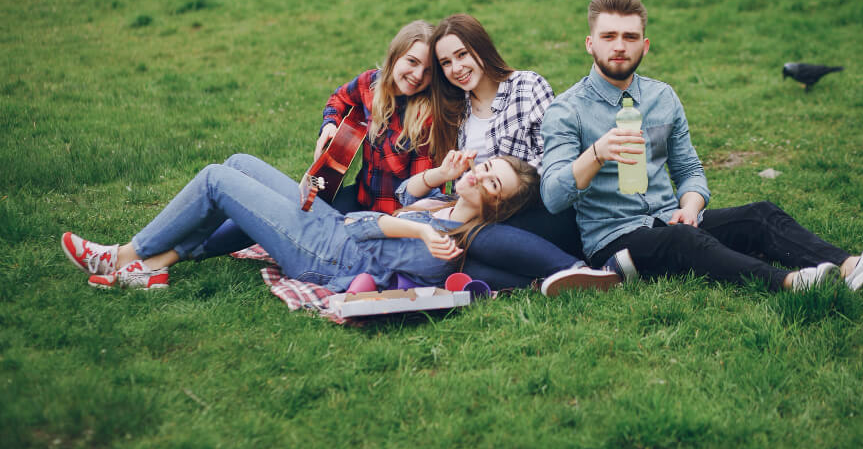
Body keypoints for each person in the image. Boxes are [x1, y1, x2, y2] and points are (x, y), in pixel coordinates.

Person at [538, 0, 863, 295]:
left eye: (630, 36)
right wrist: (596, 154)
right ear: (590, 43)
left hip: (671, 219)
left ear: (645, 45)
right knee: (684, 240)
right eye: (608, 36)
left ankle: (854, 266)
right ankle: (792, 283)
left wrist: (690, 206)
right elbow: (553, 195)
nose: (619, 46)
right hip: (615, 241)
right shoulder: (567, 110)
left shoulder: (662, 98)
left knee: (759, 214)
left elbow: (689, 171)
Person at [60, 152, 618, 292]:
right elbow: (393, 201)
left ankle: (125, 255)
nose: (479, 176)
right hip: (331, 229)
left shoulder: (468, 235)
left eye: (492, 183)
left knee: (215, 180)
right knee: (239, 164)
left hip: (327, 255)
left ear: (497, 206)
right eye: (486, 167)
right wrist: (434, 189)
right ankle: (158, 263)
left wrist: (583, 270)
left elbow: (360, 230)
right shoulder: (441, 205)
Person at [197, 21, 437, 258]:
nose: (418, 75)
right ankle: (197, 246)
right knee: (292, 211)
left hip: (393, 221)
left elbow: (418, 197)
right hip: (360, 197)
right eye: (412, 61)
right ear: (395, 55)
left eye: (428, 71)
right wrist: (330, 126)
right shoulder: (370, 84)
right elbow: (339, 99)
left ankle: (195, 247)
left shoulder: (427, 117)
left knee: (301, 232)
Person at [428, 14, 582, 257]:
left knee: (476, 240)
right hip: (481, 217)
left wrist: (508, 189)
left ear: (481, 47)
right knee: (465, 246)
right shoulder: (455, 111)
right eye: (446, 63)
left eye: (462, 54)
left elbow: (554, 160)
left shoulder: (528, 86)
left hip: (534, 210)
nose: (456, 68)